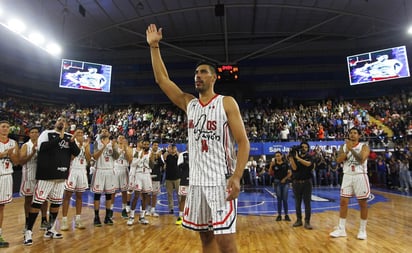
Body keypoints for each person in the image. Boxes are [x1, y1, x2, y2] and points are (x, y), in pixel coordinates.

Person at [147, 24, 250, 253]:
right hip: (196, 182)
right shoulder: (189, 104)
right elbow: (162, 80)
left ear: (213, 77)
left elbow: (243, 142)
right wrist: (154, 46)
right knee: (205, 238)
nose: (198, 76)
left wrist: (237, 176)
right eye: (196, 73)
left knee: (226, 243)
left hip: (220, 180)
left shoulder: (226, 102)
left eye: (203, 72)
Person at [24, 116, 80, 246]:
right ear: (56, 123)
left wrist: (71, 141)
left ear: (66, 124)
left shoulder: (68, 136)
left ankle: (50, 228)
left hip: (61, 175)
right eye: (59, 119)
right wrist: (59, 138)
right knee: (37, 203)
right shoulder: (46, 133)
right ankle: (28, 231)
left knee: (55, 204)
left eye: (63, 120)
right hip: (46, 175)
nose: (61, 121)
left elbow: (76, 153)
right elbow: (42, 148)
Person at [330, 127, 370, 240]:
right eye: (351, 133)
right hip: (347, 175)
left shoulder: (364, 146)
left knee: (362, 203)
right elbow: (338, 160)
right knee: (343, 202)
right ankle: (341, 229)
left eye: (355, 133)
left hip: (360, 176)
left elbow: (361, 159)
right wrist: (347, 150)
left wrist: (351, 149)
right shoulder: (343, 146)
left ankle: (362, 230)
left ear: (359, 136)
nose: (352, 135)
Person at [61, 128, 91, 231]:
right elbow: (71, 158)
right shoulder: (71, 143)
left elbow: (88, 159)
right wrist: (79, 146)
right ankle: (64, 220)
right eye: (78, 133)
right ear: (74, 134)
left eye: (82, 133)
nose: (80, 134)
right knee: (67, 195)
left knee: (79, 196)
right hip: (72, 170)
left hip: (82, 170)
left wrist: (86, 147)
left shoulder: (85, 144)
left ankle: (78, 219)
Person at [19, 127, 49, 231]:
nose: (35, 134)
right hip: (29, 175)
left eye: (36, 132)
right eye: (32, 132)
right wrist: (32, 153)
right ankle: (27, 223)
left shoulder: (43, 144)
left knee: (43, 199)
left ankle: (44, 220)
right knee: (28, 200)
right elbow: (21, 161)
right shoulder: (25, 146)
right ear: (29, 134)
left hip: (41, 175)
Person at [91, 127, 119, 226]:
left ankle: (107, 217)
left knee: (108, 195)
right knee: (97, 195)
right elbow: (95, 156)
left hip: (110, 171)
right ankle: (96, 217)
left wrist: (115, 147)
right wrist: (104, 147)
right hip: (100, 170)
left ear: (109, 133)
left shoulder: (113, 143)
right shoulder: (96, 143)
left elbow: (116, 157)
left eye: (106, 131)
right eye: (102, 131)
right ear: (100, 133)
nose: (104, 132)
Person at [0, 120, 19, 248]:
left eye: (7, 127)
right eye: (3, 126)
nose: (5, 128)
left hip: (6, 176)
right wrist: (4, 154)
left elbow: (17, 162)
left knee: (1, 207)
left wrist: (11, 155)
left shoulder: (14, 143)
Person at [288, 142, 314, 230]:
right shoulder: (295, 157)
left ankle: (307, 221)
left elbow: (308, 164)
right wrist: (291, 157)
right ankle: (299, 220)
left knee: (307, 203)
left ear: (308, 149)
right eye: (302, 147)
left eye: (306, 147)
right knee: (297, 203)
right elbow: (294, 168)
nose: (303, 148)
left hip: (307, 182)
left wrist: (298, 158)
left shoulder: (310, 157)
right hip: (296, 182)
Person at [127, 138, 152, 225]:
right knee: (136, 195)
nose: (145, 146)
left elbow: (152, 165)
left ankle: (142, 216)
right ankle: (131, 216)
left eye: (147, 144)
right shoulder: (137, 152)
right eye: (144, 144)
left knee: (145, 196)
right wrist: (139, 158)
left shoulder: (150, 153)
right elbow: (133, 164)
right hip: (138, 174)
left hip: (147, 174)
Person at [112, 135, 132, 219]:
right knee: (113, 191)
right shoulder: (113, 146)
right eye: (119, 137)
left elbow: (129, 160)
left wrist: (125, 150)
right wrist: (121, 151)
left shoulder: (128, 148)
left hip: (124, 169)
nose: (121, 139)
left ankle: (124, 210)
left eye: (122, 138)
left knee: (124, 191)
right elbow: (114, 157)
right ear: (117, 139)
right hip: (115, 169)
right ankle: (110, 210)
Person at [269, 151, 291, 222]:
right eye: (276, 156)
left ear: (281, 156)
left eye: (278, 155)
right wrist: (271, 165)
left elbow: (290, 173)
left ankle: (286, 215)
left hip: (285, 183)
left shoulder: (286, 164)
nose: (277, 157)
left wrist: (285, 179)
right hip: (277, 183)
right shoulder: (274, 165)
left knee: (285, 199)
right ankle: (279, 215)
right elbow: (270, 173)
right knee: (279, 200)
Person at [148, 140, 164, 217]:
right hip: (148, 176)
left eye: (157, 145)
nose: (156, 146)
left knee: (154, 194)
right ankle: (147, 209)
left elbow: (162, 165)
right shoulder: (148, 153)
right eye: (154, 145)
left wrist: (159, 157)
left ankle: (153, 210)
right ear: (152, 146)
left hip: (156, 176)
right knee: (147, 194)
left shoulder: (159, 155)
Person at [163, 144, 180, 214]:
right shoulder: (167, 155)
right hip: (168, 178)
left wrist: (176, 151)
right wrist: (168, 151)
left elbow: (179, 157)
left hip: (177, 177)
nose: (172, 149)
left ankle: (181, 208)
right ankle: (171, 208)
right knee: (169, 194)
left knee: (179, 194)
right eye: (171, 147)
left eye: (173, 148)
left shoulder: (178, 155)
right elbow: (164, 159)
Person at [175, 150, 189, 225]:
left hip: (195, 179)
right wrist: (185, 163)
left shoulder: (197, 152)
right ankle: (180, 216)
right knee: (183, 198)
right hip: (184, 179)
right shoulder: (183, 154)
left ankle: (192, 217)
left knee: (196, 199)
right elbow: (179, 166)